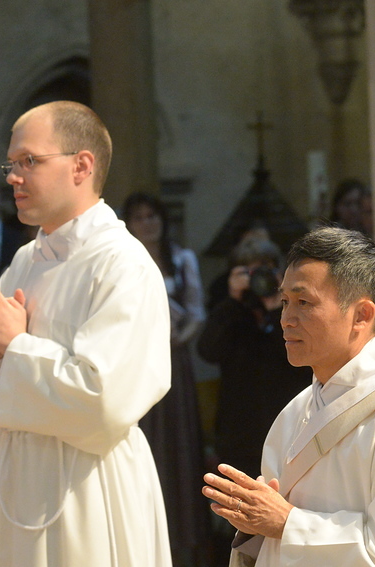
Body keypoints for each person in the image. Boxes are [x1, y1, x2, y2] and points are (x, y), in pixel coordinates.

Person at [0, 100, 172, 567]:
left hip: (88, 488)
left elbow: (105, 401)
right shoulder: (24, 262)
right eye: (11, 164)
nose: (13, 177)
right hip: (16, 477)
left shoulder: (123, 264)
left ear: (81, 166)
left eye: (29, 161)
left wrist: (14, 346)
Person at [203, 226, 375, 566]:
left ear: (361, 315)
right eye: (285, 302)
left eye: (304, 302)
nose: (286, 319)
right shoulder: (293, 412)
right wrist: (254, 524)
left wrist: (288, 524)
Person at [123, 191, 211, 565]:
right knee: (150, 444)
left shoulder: (182, 259)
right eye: (140, 217)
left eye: (153, 216)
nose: (148, 223)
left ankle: (187, 540)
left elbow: (196, 313)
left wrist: (177, 338)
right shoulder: (122, 261)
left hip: (175, 361)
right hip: (138, 361)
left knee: (180, 445)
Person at [198, 236, 311, 480]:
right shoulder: (230, 312)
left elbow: (304, 361)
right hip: (239, 432)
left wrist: (277, 308)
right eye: (249, 272)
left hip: (288, 428)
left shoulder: (293, 312)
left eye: (265, 271)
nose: (259, 279)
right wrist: (232, 301)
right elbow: (208, 351)